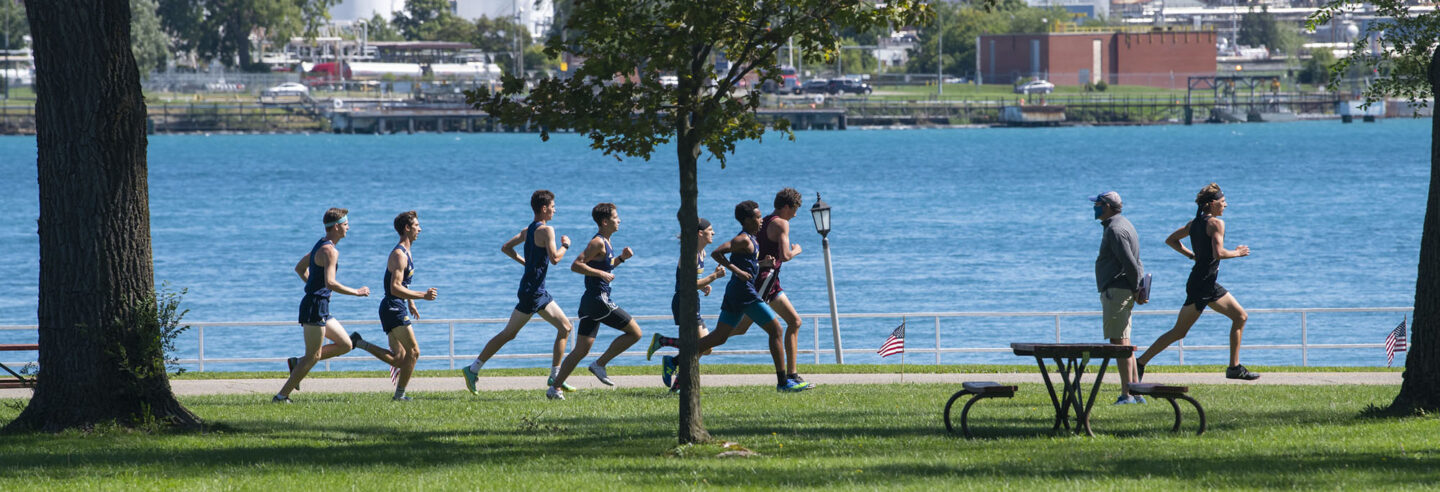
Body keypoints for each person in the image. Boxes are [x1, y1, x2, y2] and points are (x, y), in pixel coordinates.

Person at [661, 200, 811, 393]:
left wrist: (761, 264)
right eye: (757, 217)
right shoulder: (744, 239)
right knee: (776, 330)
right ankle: (783, 383)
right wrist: (737, 271)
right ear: (747, 220)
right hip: (744, 293)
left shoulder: (752, 239)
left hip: (735, 293)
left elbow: (747, 262)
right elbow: (717, 253)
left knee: (719, 337)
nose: (761, 221)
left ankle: (673, 361)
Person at [1136, 183, 1259, 381]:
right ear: (1211, 204)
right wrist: (1238, 253)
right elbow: (1218, 253)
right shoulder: (1216, 224)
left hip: (1204, 282)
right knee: (1179, 331)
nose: (1225, 205)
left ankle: (1234, 368)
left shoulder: (1194, 224)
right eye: (1222, 202)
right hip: (1203, 285)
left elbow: (1171, 240)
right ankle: (1139, 362)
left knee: (1240, 317)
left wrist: (1193, 256)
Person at [461, 190, 576, 395]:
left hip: (535, 290)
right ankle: (473, 369)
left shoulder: (528, 230)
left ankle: (555, 376)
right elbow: (555, 258)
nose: (555, 210)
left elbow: (506, 247)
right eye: (553, 206)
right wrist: (565, 245)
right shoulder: (547, 231)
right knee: (509, 334)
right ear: (544, 208)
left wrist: (527, 264)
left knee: (564, 328)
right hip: (533, 293)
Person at [274, 208, 370, 403]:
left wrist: (313, 286)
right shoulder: (330, 251)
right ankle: (281, 396)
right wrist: (356, 292)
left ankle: (296, 363)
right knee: (313, 356)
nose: (348, 227)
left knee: (345, 344)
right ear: (336, 227)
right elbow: (331, 283)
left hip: (320, 305)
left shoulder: (321, 245)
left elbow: (300, 268)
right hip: (314, 307)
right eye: (345, 224)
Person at [546, 203, 640, 400]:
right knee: (635, 333)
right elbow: (576, 265)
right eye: (616, 217)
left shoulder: (607, 242)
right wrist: (600, 273)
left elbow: (606, 266)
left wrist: (621, 258)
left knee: (580, 349)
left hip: (590, 302)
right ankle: (600, 364)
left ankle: (555, 388)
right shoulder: (597, 242)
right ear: (605, 222)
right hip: (599, 300)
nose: (619, 220)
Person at [348, 211, 439, 402]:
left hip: (394, 306)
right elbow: (395, 287)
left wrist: (411, 302)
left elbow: (403, 284)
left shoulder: (406, 252)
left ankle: (359, 342)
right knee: (414, 352)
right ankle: (399, 396)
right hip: (392, 307)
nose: (420, 229)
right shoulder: (399, 255)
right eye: (416, 225)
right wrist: (423, 296)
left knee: (399, 358)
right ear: (407, 228)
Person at [645, 214, 727, 392]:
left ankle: (672, 361)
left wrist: (703, 286)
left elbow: (693, 281)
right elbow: (687, 284)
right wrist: (713, 277)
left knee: (706, 348)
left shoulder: (702, 252)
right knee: (696, 346)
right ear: (699, 233)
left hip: (692, 301)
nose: (713, 232)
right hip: (683, 302)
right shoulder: (688, 254)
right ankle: (664, 345)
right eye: (709, 230)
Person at [1090, 191, 1147, 405]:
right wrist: (1138, 288)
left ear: (1106, 206)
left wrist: (1135, 288)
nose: (1094, 208)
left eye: (1097, 204)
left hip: (1117, 291)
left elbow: (1130, 263)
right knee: (1125, 342)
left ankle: (1127, 394)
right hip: (1122, 289)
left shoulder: (1115, 229)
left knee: (1119, 344)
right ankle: (1135, 391)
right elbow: (1136, 263)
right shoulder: (1124, 224)